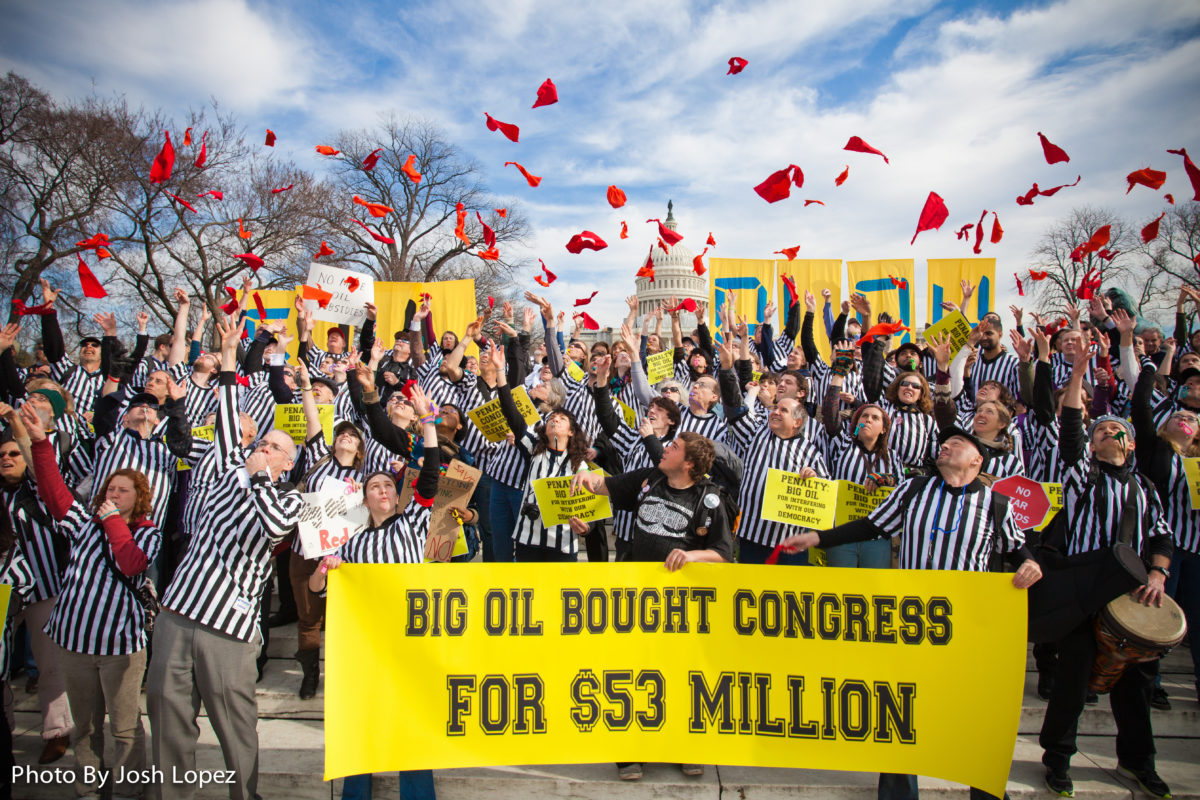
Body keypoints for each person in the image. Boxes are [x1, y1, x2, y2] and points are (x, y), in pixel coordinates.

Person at [779, 425, 1042, 800]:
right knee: (901, 712)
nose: (946, 446)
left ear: (977, 459)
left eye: (957, 444)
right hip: (911, 623)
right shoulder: (914, 489)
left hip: (966, 627)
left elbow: (1018, 550)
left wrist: (1032, 564)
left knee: (975, 716)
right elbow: (872, 525)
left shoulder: (997, 504)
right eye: (945, 442)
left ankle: (983, 789)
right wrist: (818, 537)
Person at [148, 316, 304, 800]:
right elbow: (228, 411)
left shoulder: (288, 499)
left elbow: (275, 527)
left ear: (287, 463)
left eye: (276, 446)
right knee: (167, 718)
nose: (264, 446)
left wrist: (260, 478)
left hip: (229, 630)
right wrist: (230, 353)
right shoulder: (223, 467)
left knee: (235, 728)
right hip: (177, 614)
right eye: (262, 440)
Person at [1038, 342, 1174, 799]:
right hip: (1083, 588)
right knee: (1072, 683)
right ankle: (1058, 759)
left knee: (1132, 687)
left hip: (1132, 595)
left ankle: (1139, 763)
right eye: (1101, 433)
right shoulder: (1080, 473)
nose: (1106, 437)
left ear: (1131, 443)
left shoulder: (1144, 487)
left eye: (1115, 432)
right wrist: (1077, 375)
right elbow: (1072, 426)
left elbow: (1160, 535)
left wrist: (1157, 574)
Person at [571, 430, 733, 781]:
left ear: (689, 463)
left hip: (681, 608)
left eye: (674, 447)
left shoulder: (709, 500)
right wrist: (586, 475)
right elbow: (605, 486)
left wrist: (691, 555)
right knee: (633, 674)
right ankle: (632, 750)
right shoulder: (651, 477)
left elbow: (724, 554)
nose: (665, 448)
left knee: (679, 675)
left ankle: (683, 746)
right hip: (637, 600)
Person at [20, 400, 160, 800]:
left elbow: (132, 563)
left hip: (120, 649)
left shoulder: (145, 532)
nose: (113, 494)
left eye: (123, 490)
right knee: (85, 726)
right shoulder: (84, 523)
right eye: (109, 489)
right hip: (74, 644)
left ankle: (130, 791)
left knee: (125, 726)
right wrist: (40, 442)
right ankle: (88, 788)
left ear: (139, 497)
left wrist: (114, 519)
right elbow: (54, 492)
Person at [309, 384, 442, 800]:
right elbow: (317, 589)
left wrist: (427, 422)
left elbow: (432, 474)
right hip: (364, 646)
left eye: (388, 486)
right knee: (361, 725)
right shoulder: (351, 543)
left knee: (411, 726)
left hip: (407, 638)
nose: (383, 491)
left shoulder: (412, 524)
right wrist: (323, 570)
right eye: (374, 488)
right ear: (365, 500)